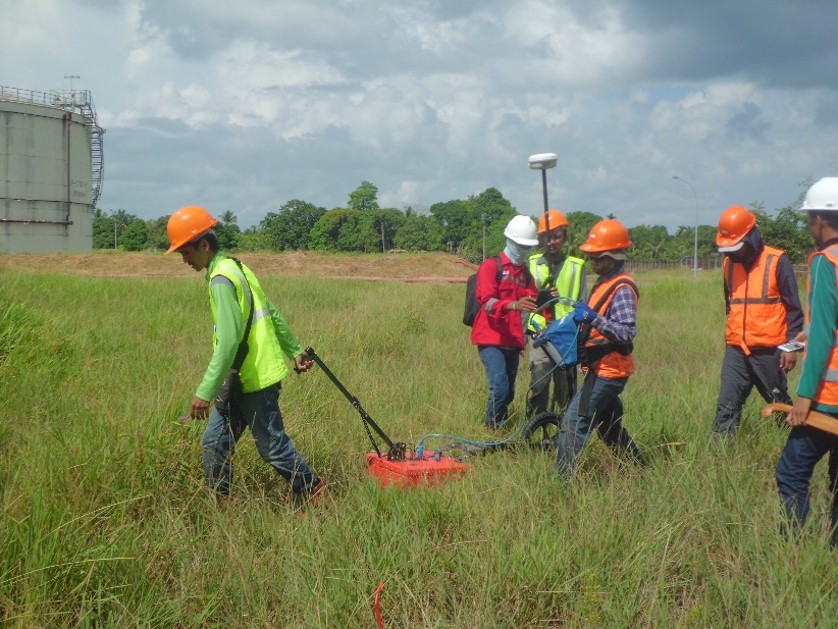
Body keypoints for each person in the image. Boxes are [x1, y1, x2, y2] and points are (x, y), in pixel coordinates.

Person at [165, 205, 326, 503]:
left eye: (185, 252)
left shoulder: (221, 279)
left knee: (272, 447)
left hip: (254, 378)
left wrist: (204, 391)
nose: (184, 260)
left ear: (203, 245)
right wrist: (294, 350)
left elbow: (228, 341)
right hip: (237, 377)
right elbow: (271, 312)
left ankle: (316, 492)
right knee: (214, 443)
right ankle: (220, 508)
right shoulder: (236, 266)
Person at [775, 177, 838, 547]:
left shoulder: (824, 261)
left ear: (819, 221)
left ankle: (791, 551)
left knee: (791, 473)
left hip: (828, 397)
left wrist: (803, 397)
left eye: (809, 221)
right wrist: (804, 335)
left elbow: (825, 335)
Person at [555, 219, 644, 476]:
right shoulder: (604, 281)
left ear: (615, 255)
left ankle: (561, 484)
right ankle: (638, 470)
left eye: (598, 256)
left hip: (610, 370)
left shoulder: (623, 287)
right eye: (590, 256)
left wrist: (593, 318)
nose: (592, 261)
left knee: (573, 424)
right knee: (609, 427)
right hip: (598, 367)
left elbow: (627, 332)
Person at [712, 205, 804, 440]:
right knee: (726, 407)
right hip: (736, 350)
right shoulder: (728, 264)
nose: (731, 252)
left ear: (751, 237)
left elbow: (794, 311)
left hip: (769, 351)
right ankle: (721, 458)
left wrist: (791, 347)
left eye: (736, 246)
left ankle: (796, 446)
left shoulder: (777, 261)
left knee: (779, 405)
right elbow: (730, 304)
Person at [471, 215, 539, 430]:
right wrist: (513, 305)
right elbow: (487, 302)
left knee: (509, 392)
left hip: (513, 340)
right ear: (510, 241)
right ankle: (492, 430)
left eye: (528, 247)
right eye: (521, 245)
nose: (524, 250)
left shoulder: (525, 274)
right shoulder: (491, 267)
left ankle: (499, 425)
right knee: (499, 387)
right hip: (491, 339)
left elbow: (531, 303)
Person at [525, 209, 587, 417]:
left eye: (556, 236)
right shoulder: (531, 265)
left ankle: (565, 433)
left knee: (566, 390)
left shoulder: (576, 267)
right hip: (539, 334)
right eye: (547, 236)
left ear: (564, 237)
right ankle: (534, 427)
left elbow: (583, 305)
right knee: (539, 382)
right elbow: (523, 302)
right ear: (541, 238)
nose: (552, 241)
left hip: (567, 336)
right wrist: (541, 296)